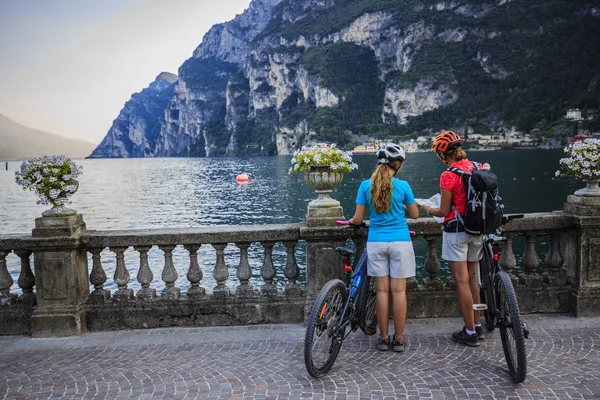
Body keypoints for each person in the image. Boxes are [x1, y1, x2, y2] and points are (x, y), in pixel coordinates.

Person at [348, 143, 419, 352]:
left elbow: (358, 218)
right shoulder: (403, 186)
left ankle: (382, 337)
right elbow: (415, 215)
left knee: (381, 291)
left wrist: (351, 221)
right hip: (400, 242)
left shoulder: (365, 186)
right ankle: (398, 339)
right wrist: (403, 206)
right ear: (397, 165)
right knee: (398, 292)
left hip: (376, 242)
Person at [419, 130, 485, 347]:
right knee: (472, 278)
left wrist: (429, 208)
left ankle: (469, 332)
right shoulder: (475, 167)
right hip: (478, 229)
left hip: (457, 232)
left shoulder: (449, 175)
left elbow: (444, 210)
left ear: (442, 155)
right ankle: (477, 325)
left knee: (462, 281)